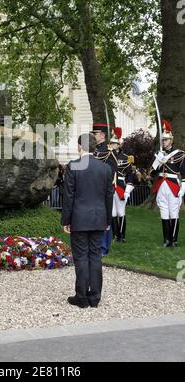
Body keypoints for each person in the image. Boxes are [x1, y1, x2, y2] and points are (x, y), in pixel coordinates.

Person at [61, 133, 113, 308]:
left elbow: (68, 196)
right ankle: (95, 297)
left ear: (79, 147)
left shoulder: (73, 166)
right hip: (99, 217)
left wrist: (66, 220)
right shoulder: (105, 168)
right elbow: (109, 196)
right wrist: (108, 219)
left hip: (80, 218)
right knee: (95, 256)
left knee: (81, 257)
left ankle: (81, 297)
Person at [150, 120, 185, 247]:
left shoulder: (180, 154)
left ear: (171, 140)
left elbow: (184, 174)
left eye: (165, 140)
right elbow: (152, 173)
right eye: (162, 140)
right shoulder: (159, 154)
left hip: (173, 185)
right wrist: (158, 161)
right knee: (164, 212)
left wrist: (183, 189)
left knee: (173, 211)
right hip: (161, 185)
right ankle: (166, 239)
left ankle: (174, 239)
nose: (163, 142)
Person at [91, 123, 116, 256]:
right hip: (93, 187)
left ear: (101, 135)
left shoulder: (109, 150)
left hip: (103, 188)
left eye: (95, 134)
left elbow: (112, 170)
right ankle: (96, 244)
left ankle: (104, 247)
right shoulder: (94, 149)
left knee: (105, 217)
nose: (93, 136)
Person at [108, 127, 135, 242]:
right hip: (109, 185)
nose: (112, 145)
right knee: (112, 212)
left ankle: (122, 235)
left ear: (119, 145)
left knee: (121, 212)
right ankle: (115, 235)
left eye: (114, 143)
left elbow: (130, 175)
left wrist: (128, 190)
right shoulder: (107, 156)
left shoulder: (125, 158)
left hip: (120, 186)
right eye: (111, 143)